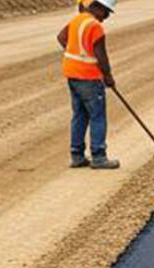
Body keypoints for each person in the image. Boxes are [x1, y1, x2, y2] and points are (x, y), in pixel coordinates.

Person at [59, 0, 119, 169]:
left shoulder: (77, 20)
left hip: (72, 75)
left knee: (79, 115)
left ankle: (76, 155)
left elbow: (61, 37)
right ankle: (99, 157)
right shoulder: (95, 27)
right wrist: (108, 76)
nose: (106, 16)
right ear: (96, 6)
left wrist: (75, 54)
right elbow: (102, 56)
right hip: (89, 78)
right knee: (97, 116)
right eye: (106, 11)